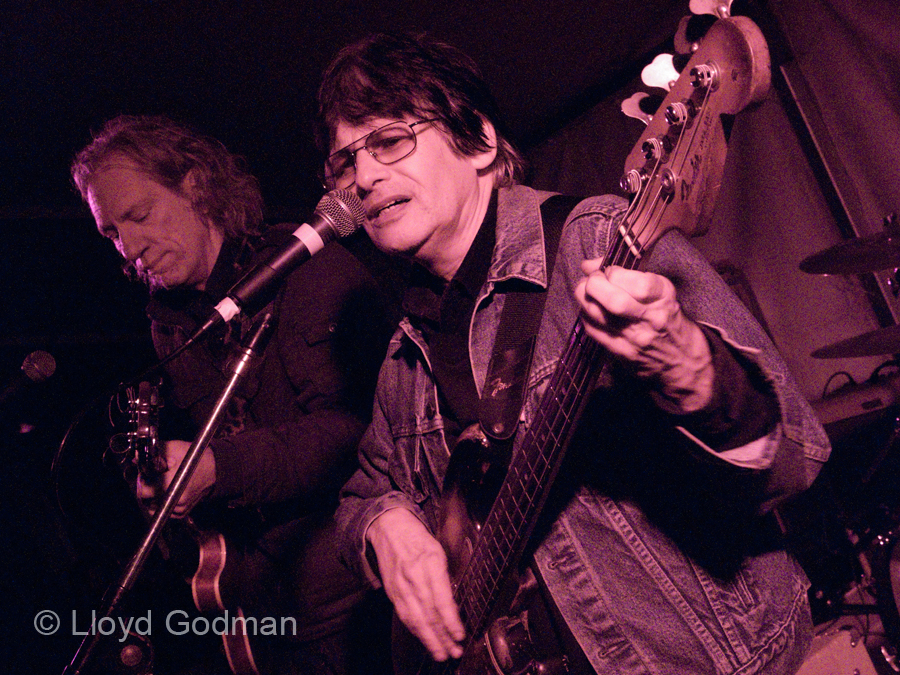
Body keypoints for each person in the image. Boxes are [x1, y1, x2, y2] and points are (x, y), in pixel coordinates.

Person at [318, 32, 832, 674]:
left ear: (477, 141)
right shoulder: (405, 353)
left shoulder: (594, 239)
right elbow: (361, 492)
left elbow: (796, 455)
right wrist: (380, 527)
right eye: (345, 163)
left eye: (389, 141)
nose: (363, 177)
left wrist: (698, 376)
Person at [71, 114, 394, 675]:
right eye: (113, 233)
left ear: (195, 184)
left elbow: (360, 432)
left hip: (356, 606)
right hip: (261, 615)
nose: (129, 248)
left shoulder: (308, 271)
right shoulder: (169, 324)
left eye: (139, 215)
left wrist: (218, 468)